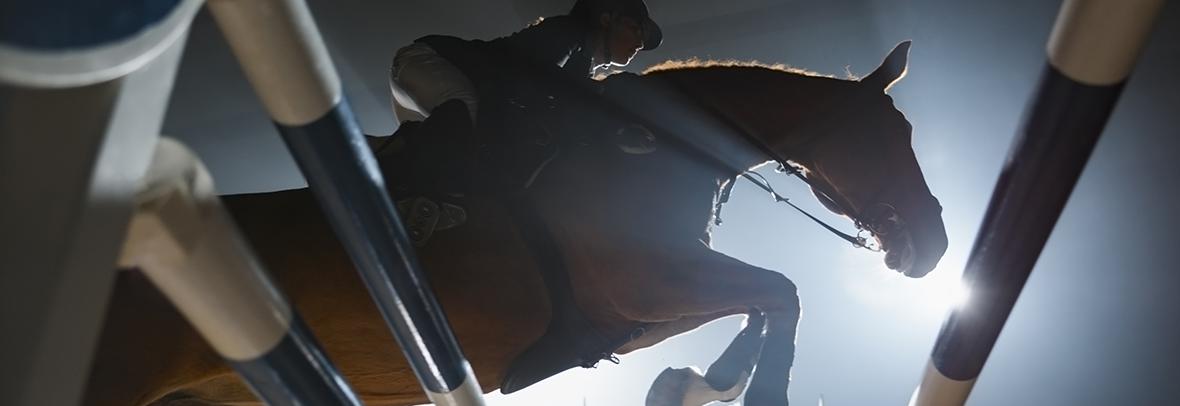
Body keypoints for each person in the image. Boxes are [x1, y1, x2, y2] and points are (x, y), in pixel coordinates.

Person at [387, 0, 663, 125]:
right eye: (636, 29)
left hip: (429, 80)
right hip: (427, 61)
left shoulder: (582, 63)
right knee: (470, 120)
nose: (640, 43)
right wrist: (601, 94)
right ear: (606, 19)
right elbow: (537, 74)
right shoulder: (567, 31)